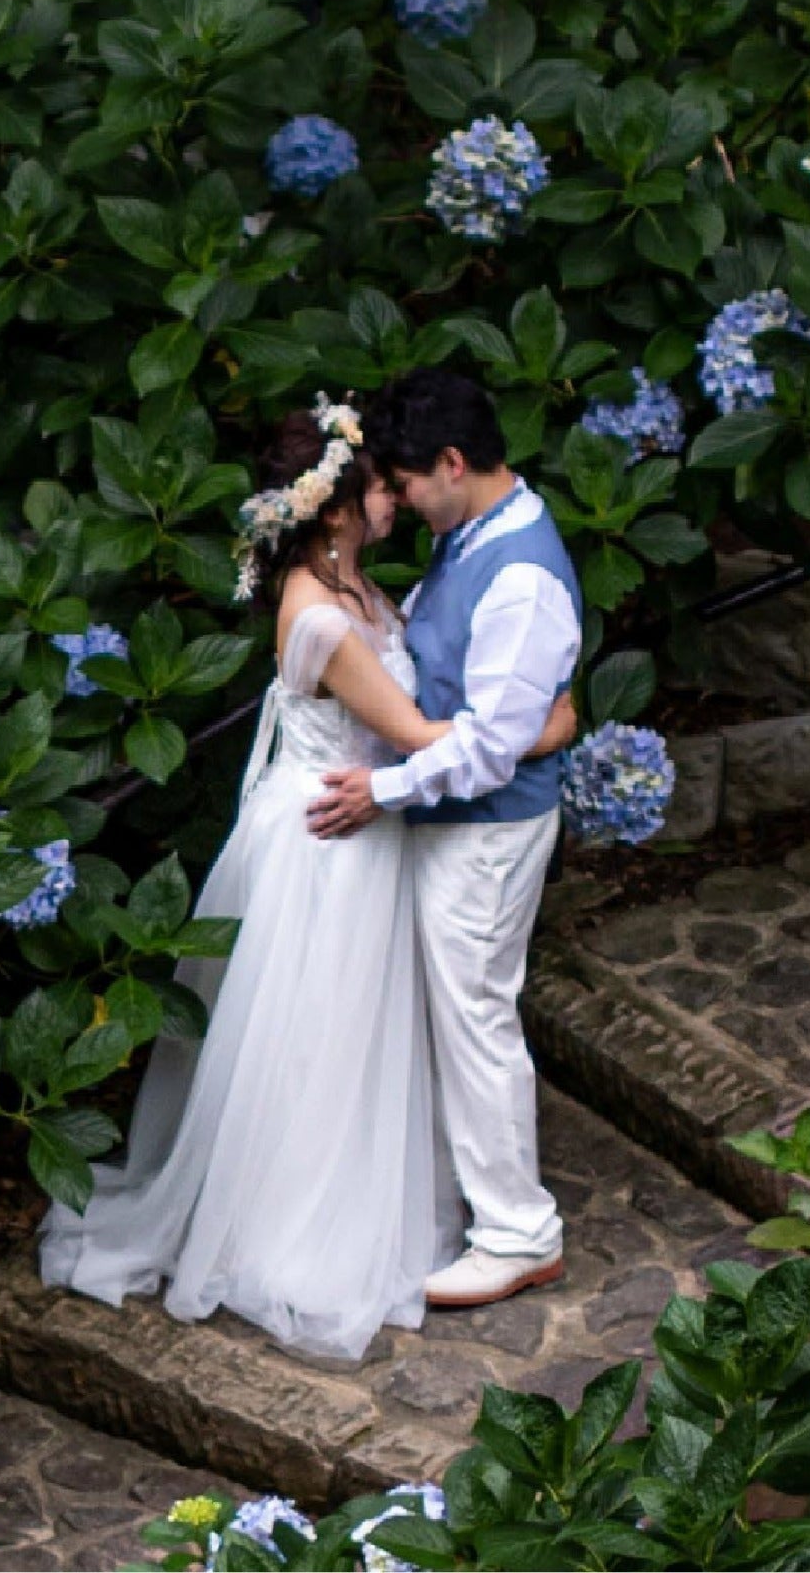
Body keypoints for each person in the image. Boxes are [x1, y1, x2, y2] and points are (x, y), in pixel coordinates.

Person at [36, 397, 577, 1362]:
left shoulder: (363, 586)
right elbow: (419, 734)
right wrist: (546, 727)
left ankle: (397, 1204)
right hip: (334, 840)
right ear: (334, 509)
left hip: (371, 828)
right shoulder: (322, 615)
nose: (394, 501)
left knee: (357, 1031)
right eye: (379, 489)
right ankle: (293, 1228)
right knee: (316, 1036)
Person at [305, 366, 583, 1311]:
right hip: (456, 820)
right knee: (457, 1014)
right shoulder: (473, 538)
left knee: (476, 1018)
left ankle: (518, 1234)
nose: (400, 501)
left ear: (454, 463)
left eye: (406, 481)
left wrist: (382, 789)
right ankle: (471, 1204)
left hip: (488, 833)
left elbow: (487, 749)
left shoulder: (522, 577)